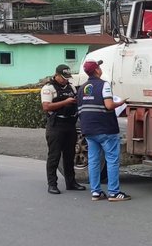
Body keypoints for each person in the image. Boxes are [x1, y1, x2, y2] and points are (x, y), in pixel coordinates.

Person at [76, 59, 130, 202]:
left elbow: (80, 109)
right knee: (112, 160)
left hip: (88, 129)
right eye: (99, 67)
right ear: (97, 70)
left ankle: (96, 192)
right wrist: (121, 102)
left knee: (93, 161)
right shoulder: (104, 84)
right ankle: (114, 192)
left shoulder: (82, 88)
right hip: (105, 129)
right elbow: (109, 105)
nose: (100, 69)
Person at [40, 63, 87, 195]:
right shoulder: (48, 88)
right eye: (63, 77)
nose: (66, 80)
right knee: (54, 156)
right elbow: (46, 107)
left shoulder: (71, 87)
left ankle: (71, 182)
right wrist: (65, 102)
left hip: (70, 124)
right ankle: (52, 184)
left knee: (69, 155)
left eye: (67, 77)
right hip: (56, 125)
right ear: (57, 75)